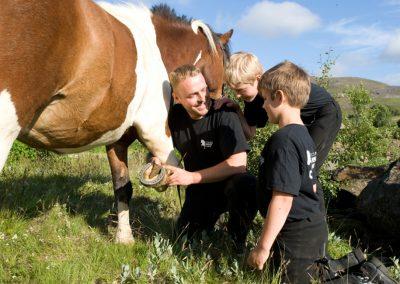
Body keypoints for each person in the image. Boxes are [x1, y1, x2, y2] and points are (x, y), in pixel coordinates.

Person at [219, 52, 342, 213]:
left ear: (258, 78)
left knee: (307, 169)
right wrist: (237, 110)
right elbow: (250, 133)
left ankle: (312, 219)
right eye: (234, 90)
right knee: (293, 167)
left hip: (324, 115)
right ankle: (282, 213)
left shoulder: (278, 84)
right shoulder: (251, 100)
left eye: (241, 90)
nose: (237, 95)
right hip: (302, 122)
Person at [158, 64, 257, 250]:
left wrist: (190, 177)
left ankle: (237, 239)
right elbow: (162, 147)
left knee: (247, 184)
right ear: (177, 98)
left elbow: (239, 163)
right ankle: (208, 221)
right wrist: (158, 164)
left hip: (229, 184)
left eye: (203, 89)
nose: (202, 98)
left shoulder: (223, 113)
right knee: (184, 240)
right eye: (192, 95)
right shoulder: (174, 117)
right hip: (200, 189)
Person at [246, 61, 328, 283]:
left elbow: (282, 200)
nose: (262, 106)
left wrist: (262, 248)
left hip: (296, 237)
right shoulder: (304, 136)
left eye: (264, 99)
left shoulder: (284, 140)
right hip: (310, 230)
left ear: (279, 97)